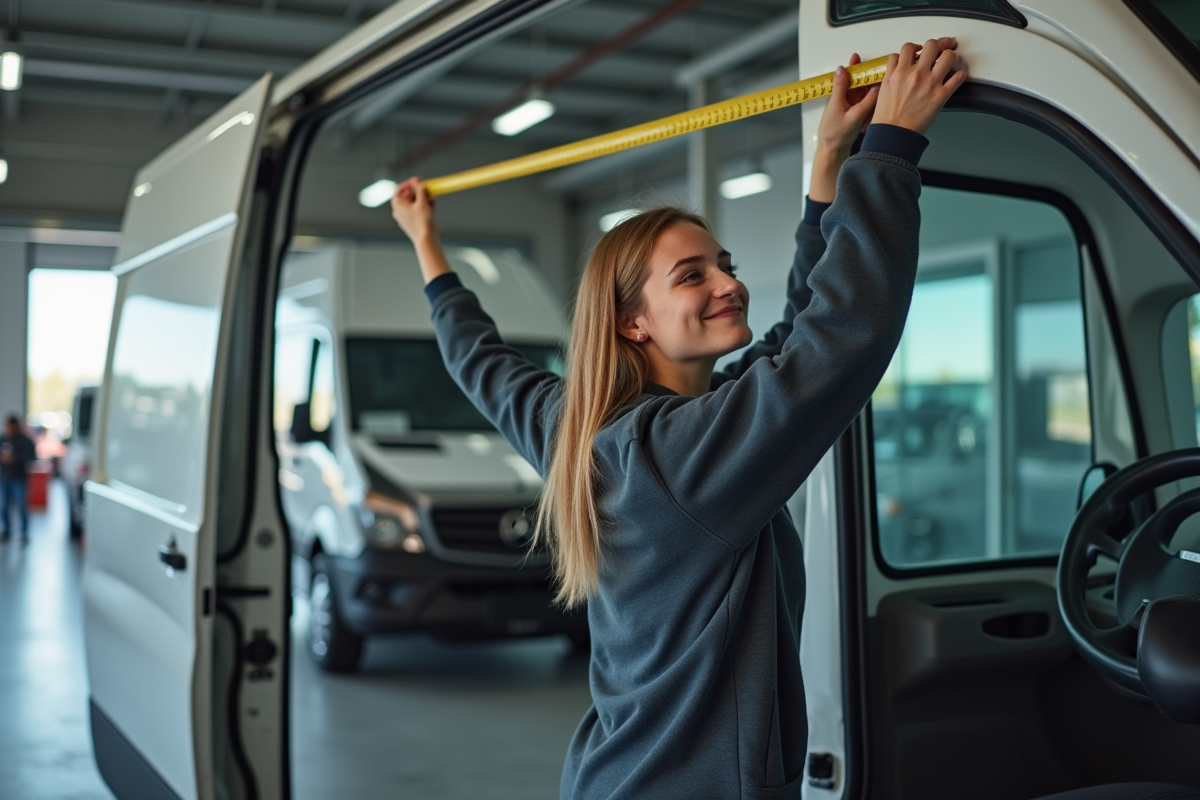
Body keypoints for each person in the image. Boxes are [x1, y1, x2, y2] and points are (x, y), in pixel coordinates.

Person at [390, 38, 964, 800]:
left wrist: (828, 163)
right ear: (632, 322)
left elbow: (479, 359)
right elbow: (840, 335)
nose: (728, 283)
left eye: (725, 264)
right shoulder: (679, 454)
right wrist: (889, 149)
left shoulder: (579, 428)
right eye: (693, 276)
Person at [1, 413, 37, 545]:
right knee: (3, 507)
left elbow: (32, 457)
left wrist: (15, 458)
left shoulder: (25, 441)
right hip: (4, 478)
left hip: (19, 478)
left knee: (21, 507)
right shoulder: (2, 439)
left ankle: (24, 533)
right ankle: (6, 531)